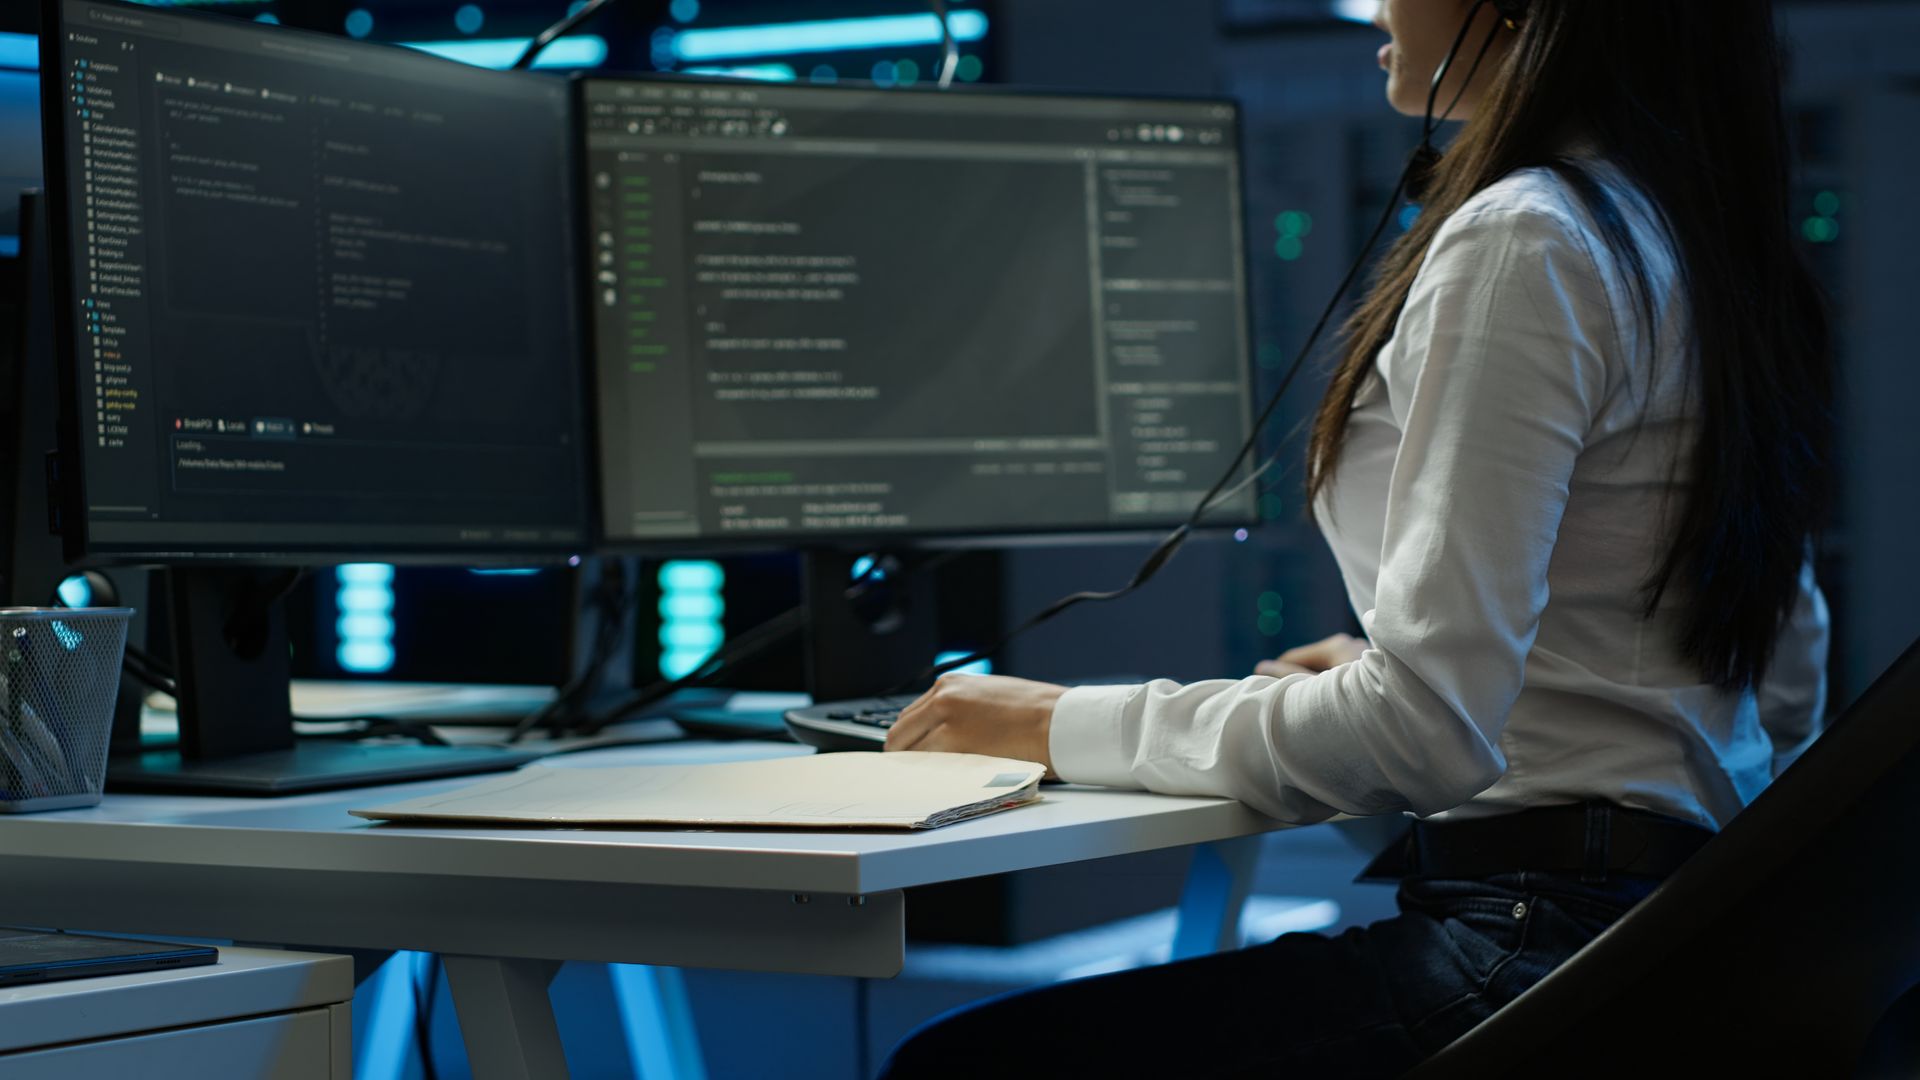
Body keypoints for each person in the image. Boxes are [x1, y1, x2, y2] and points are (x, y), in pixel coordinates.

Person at [877, 0, 1834, 1074]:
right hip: (1677, 946)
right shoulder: (1690, 241)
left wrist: (1056, 724)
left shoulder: (1527, 235)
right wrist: (1492, 696)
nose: (1374, 4)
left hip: (1530, 940)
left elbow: (1425, 731)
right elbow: (1784, 683)